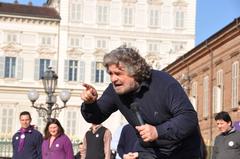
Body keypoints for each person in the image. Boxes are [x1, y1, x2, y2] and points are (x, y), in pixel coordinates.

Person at [80, 45, 201, 159]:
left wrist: (158, 131)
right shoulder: (114, 90)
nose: (113, 79)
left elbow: (188, 117)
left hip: (183, 151)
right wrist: (90, 103)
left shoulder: (163, 82)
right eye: (110, 74)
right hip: (150, 152)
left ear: (135, 71)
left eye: (118, 73)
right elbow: (96, 117)